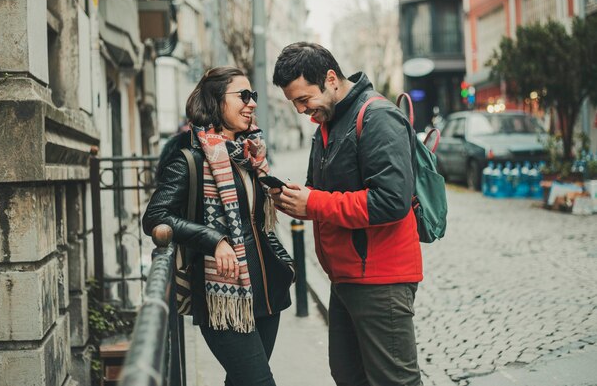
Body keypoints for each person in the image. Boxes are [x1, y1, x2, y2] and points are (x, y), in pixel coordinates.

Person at [271, 42, 423, 386]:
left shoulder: (378, 117)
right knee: (348, 375)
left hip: (381, 280)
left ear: (330, 79)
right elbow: (322, 193)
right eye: (294, 101)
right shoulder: (327, 123)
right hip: (345, 278)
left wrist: (313, 204)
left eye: (304, 98)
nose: (300, 109)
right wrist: (295, 198)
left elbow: (391, 200)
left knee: (394, 380)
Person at [142, 66, 295, 386]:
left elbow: (257, 219)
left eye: (252, 96)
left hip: (268, 291)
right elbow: (156, 216)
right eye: (242, 96)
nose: (251, 103)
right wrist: (213, 239)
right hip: (223, 295)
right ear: (215, 101)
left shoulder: (251, 154)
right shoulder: (188, 156)